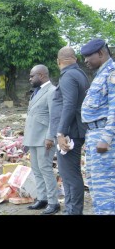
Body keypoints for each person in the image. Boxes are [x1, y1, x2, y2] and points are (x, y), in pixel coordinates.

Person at [50, 46, 90, 215]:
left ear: (59, 62)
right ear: (75, 58)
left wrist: (60, 133)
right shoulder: (80, 74)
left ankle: (73, 211)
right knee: (71, 174)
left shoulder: (67, 76)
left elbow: (69, 105)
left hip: (69, 134)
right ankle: (72, 210)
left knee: (69, 175)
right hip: (75, 131)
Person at [80, 38, 115, 215]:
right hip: (94, 134)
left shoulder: (112, 72)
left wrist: (106, 138)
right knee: (95, 185)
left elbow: (114, 108)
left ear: (100, 53)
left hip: (104, 136)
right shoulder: (100, 74)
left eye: (88, 56)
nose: (85, 61)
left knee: (106, 190)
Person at [23, 64, 59, 215]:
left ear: (42, 75)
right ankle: (42, 198)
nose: (30, 79)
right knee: (36, 170)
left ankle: (53, 202)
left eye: (32, 76)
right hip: (33, 137)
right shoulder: (36, 92)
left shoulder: (52, 91)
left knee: (45, 170)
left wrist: (50, 137)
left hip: (44, 139)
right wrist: (25, 140)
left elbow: (54, 117)